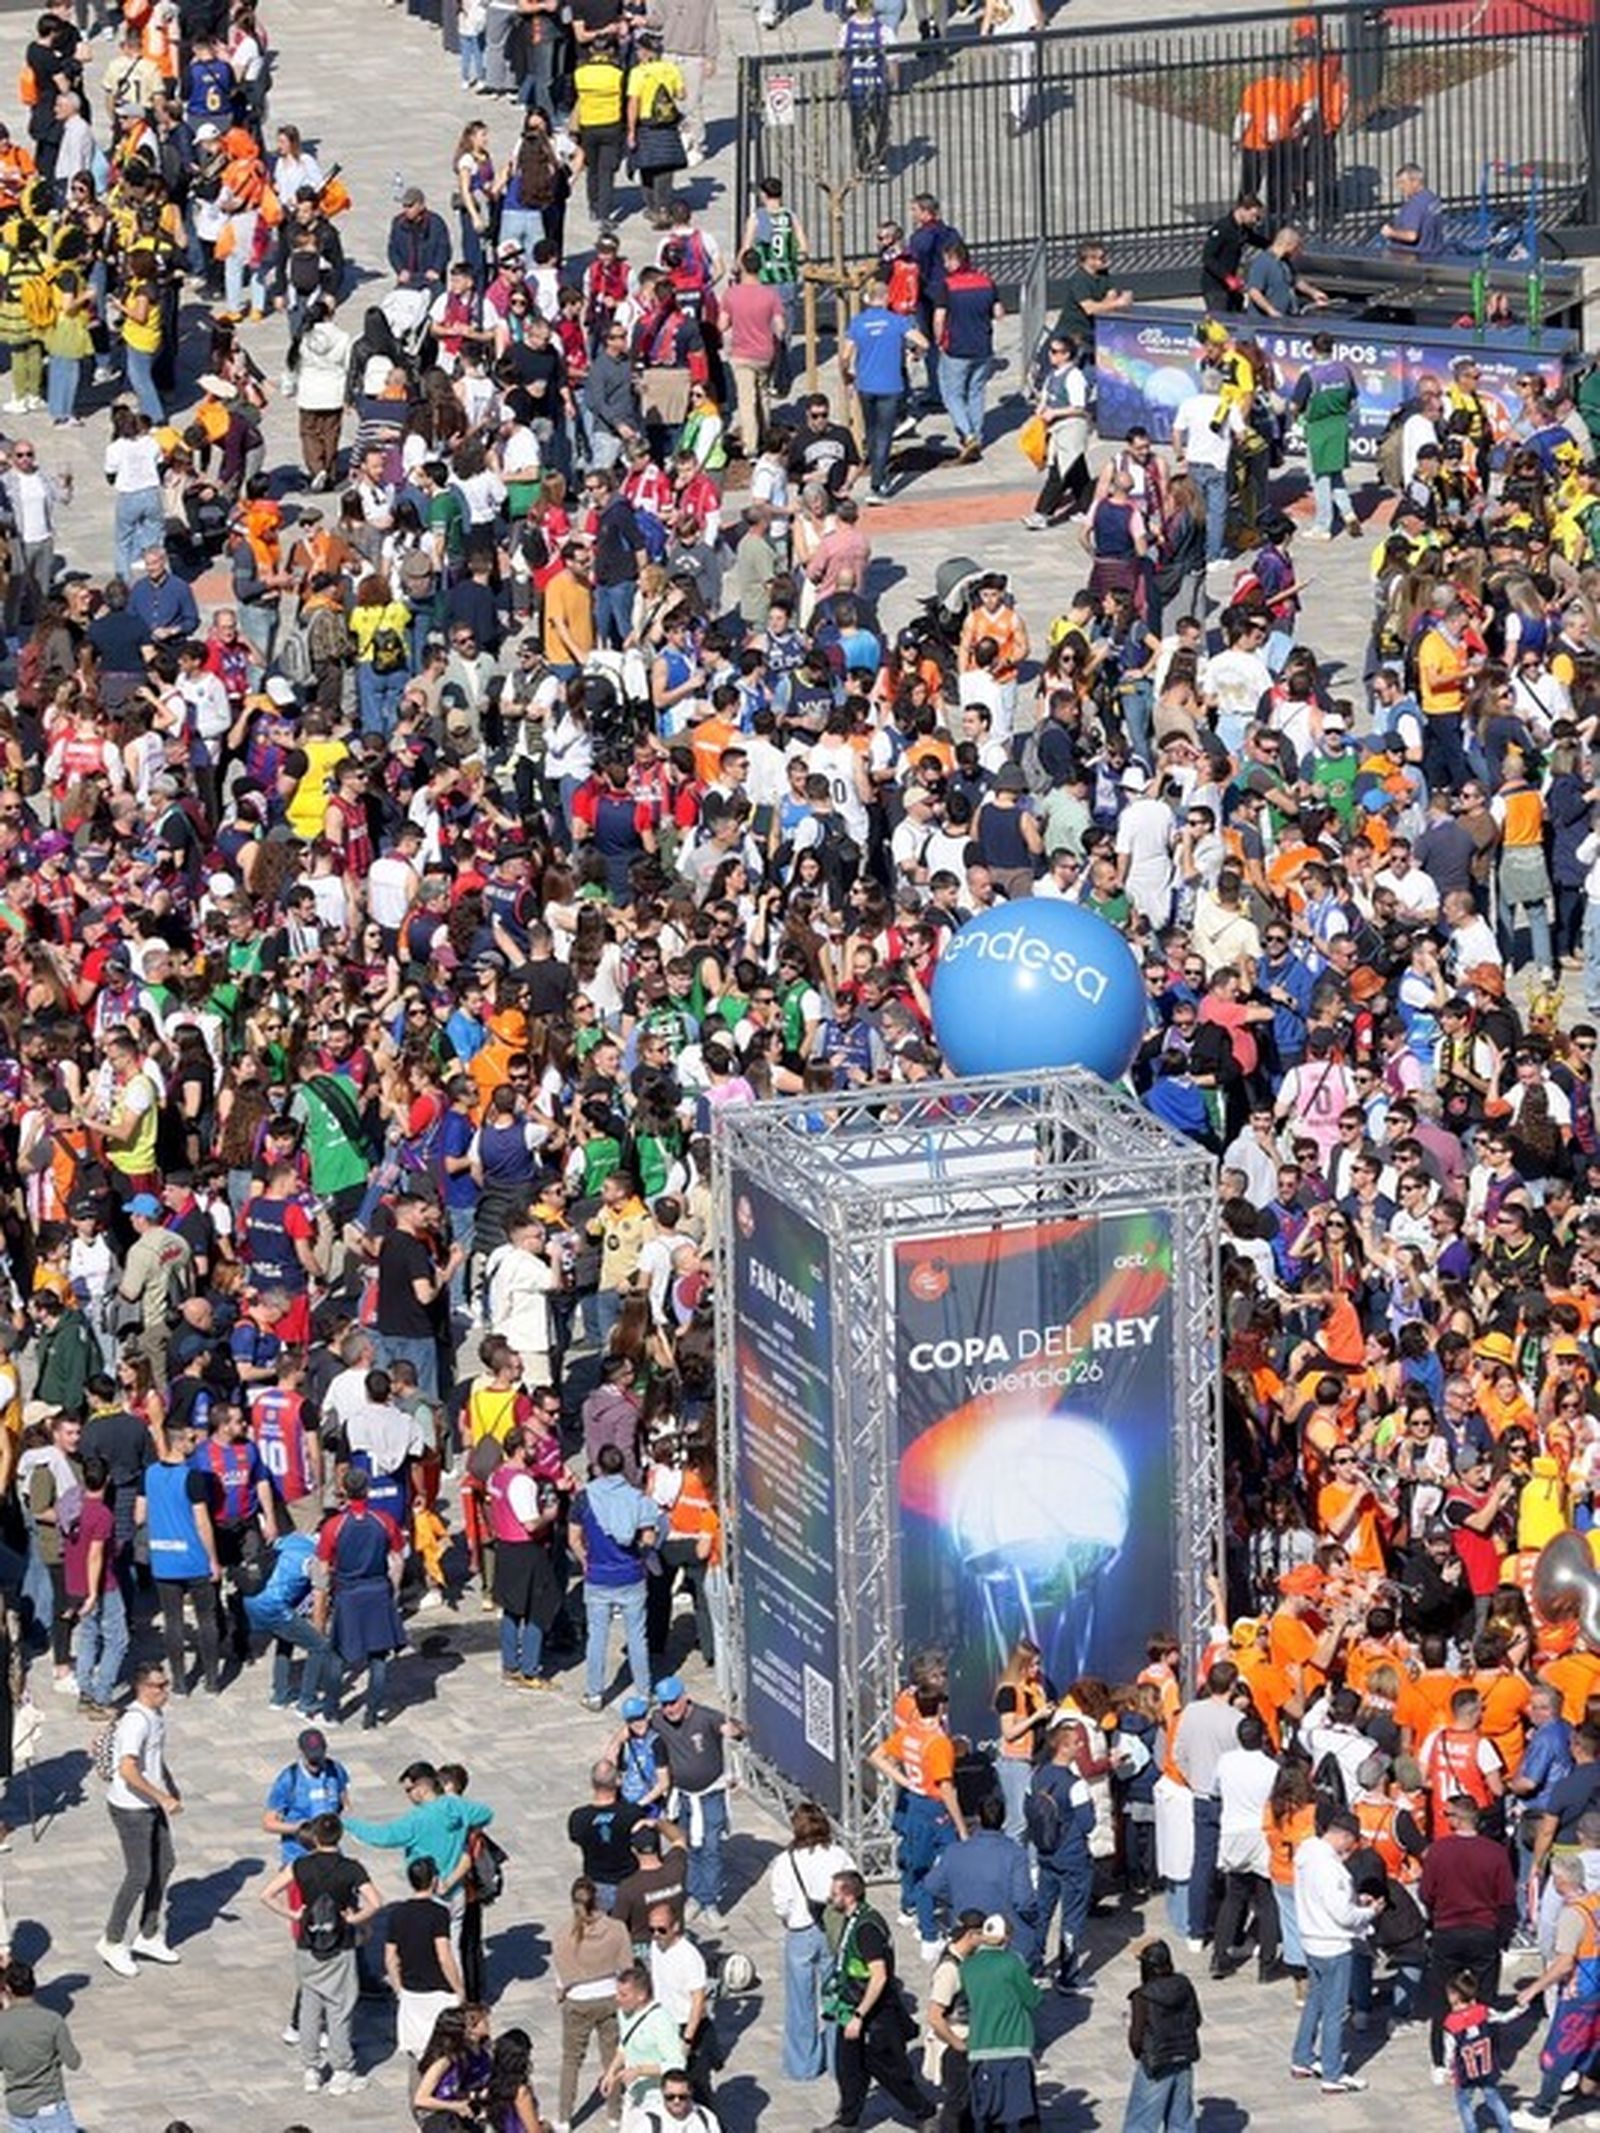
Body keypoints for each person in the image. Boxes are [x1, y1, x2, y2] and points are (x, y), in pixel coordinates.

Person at [258, 1811, 380, 2097]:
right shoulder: (351, 1868)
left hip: (308, 1943)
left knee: (310, 2007)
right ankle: (341, 2071)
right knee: (340, 2008)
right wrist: (354, 1919)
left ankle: (311, 2069)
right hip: (341, 1943)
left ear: (314, 1836)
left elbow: (266, 1895)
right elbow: (375, 1902)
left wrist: (293, 1914)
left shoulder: (300, 1865)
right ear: (339, 1835)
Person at [821, 1870, 933, 2133]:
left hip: (872, 2015)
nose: (830, 1897)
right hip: (850, 2007)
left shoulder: (867, 1928)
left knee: (887, 2070)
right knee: (849, 2067)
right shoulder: (853, 1919)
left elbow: (879, 1976)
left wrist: (859, 2016)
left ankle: (925, 2113)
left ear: (849, 1895)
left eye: (835, 1893)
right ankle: (847, 2120)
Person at [96, 1662, 182, 1979]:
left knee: (165, 1863)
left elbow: (154, 1758)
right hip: (131, 1808)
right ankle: (112, 1940)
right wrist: (162, 1797)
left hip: (151, 1804)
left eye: (166, 1684)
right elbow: (128, 1770)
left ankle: (148, 1934)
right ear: (142, 1688)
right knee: (139, 1874)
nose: (165, 1691)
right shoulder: (135, 1722)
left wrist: (170, 1787)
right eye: (159, 1686)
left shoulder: (155, 1715)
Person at [1290, 1810, 1378, 2094]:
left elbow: (1327, 1899)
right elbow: (1343, 1915)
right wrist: (1368, 1912)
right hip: (1333, 1944)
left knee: (1314, 2001)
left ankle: (1302, 2057)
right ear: (1344, 1836)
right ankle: (1333, 2073)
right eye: (1351, 1842)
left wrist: (1354, 1899)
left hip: (1311, 1939)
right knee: (1334, 2011)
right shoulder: (1330, 1867)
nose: (1350, 1849)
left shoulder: (1306, 1853)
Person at [768, 1801, 855, 2081]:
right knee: (834, 1996)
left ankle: (803, 2065)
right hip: (833, 1930)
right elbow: (855, 1887)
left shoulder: (785, 1861)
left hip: (800, 1932)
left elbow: (781, 1904)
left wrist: (789, 1918)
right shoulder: (838, 1855)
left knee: (799, 2002)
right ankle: (837, 2059)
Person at [570, 1443, 657, 1712]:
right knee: (637, 1637)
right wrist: (642, 1556)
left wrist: (585, 1560)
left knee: (597, 1637)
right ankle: (644, 1692)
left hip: (598, 1576)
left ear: (598, 1467)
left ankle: (594, 1693)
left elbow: (574, 1538)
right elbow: (649, 1536)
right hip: (631, 1575)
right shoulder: (637, 1498)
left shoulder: (585, 1498)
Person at [652, 1676, 742, 1928]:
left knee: (711, 1848)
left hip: (710, 1794)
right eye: (664, 1704)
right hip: (683, 1796)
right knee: (687, 1847)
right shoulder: (658, 1720)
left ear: (684, 1698)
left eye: (673, 1702)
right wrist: (614, 1747)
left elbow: (740, 1730)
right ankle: (695, 1895)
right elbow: (633, 1728)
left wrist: (734, 1730)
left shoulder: (706, 1717)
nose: (669, 1709)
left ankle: (710, 1902)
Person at [553, 1876, 632, 2126]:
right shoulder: (617, 1928)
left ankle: (564, 2118)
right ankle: (614, 2113)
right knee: (612, 2058)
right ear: (597, 1899)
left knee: (571, 2061)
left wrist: (561, 1995)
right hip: (609, 1997)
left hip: (578, 2000)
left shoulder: (563, 1934)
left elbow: (560, 1976)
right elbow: (627, 1967)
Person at [960, 1914, 1040, 2133]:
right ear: (1006, 1938)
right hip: (1013, 2045)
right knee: (1026, 2114)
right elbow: (1032, 1999)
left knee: (990, 2116)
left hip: (980, 2048)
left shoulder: (967, 1966)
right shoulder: (1012, 1962)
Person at [386, 1855, 463, 2063]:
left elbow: (391, 1957)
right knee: (443, 2054)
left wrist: (398, 1988)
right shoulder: (438, 1913)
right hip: (439, 1991)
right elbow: (444, 1956)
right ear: (434, 1880)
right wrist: (459, 1988)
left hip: (411, 1991)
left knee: (416, 2054)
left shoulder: (397, 1913)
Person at [1122, 1940, 1202, 2133]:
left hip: (1155, 2061)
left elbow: (1136, 2038)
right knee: (1181, 2119)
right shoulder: (1184, 1984)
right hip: (1183, 2057)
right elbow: (1196, 2019)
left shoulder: (1142, 1996)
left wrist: (1140, 2054)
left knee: (1141, 2122)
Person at [0, 1960, 81, 2133]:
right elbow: (74, 2062)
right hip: (50, 2105)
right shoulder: (52, 2020)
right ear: (34, 1985)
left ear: (7, 1989)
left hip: (18, 2108)